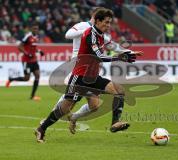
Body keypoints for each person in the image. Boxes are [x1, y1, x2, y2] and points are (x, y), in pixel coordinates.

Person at [35, 8, 142, 143]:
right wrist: (119, 58)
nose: (108, 25)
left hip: (93, 77)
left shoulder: (101, 35)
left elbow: (114, 47)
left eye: (110, 23)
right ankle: (42, 128)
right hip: (80, 78)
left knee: (119, 91)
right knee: (65, 107)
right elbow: (99, 56)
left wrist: (129, 52)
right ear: (97, 21)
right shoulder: (90, 33)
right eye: (106, 22)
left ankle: (115, 123)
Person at [5, 22, 44, 100]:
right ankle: (11, 79)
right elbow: (19, 46)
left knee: (37, 75)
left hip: (34, 60)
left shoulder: (36, 36)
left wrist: (39, 51)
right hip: (26, 61)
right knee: (27, 78)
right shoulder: (28, 36)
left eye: (37, 28)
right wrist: (27, 53)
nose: (36, 30)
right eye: (34, 28)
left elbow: (33, 47)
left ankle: (32, 96)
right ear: (31, 29)